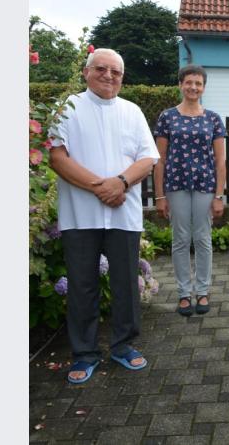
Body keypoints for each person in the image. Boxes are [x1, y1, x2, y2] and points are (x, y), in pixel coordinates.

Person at [49, 48, 159, 384]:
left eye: (116, 71)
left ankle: (123, 345)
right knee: (82, 285)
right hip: (81, 214)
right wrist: (102, 187)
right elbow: (57, 156)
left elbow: (148, 157)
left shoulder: (132, 111)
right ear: (86, 72)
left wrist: (121, 182)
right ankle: (84, 352)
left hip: (122, 215)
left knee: (125, 283)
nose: (109, 76)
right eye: (101, 69)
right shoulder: (67, 108)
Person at [153, 64, 226, 317]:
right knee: (181, 239)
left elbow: (220, 161)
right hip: (176, 184)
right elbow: (160, 159)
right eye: (189, 82)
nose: (193, 87)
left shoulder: (213, 119)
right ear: (180, 85)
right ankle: (184, 293)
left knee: (203, 239)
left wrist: (219, 195)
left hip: (206, 185)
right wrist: (159, 195)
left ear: (203, 87)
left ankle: (203, 291)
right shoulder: (167, 117)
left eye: (198, 83)